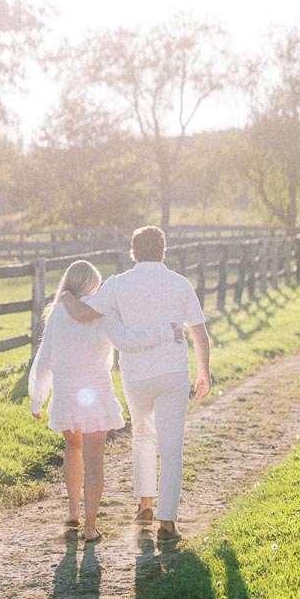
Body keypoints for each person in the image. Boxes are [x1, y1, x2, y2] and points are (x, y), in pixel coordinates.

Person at [61, 226, 212, 543]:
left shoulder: (118, 284)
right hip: (172, 373)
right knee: (172, 448)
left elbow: (85, 313)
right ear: (163, 251)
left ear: (133, 252)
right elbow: (199, 332)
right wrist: (204, 372)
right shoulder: (180, 284)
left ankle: (145, 504)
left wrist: (67, 297)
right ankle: (167, 523)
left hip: (136, 376)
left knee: (143, 436)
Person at [29, 258, 183, 543]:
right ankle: (90, 527)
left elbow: (44, 358)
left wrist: (37, 399)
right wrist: (164, 333)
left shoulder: (57, 314)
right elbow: (126, 340)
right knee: (94, 459)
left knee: (72, 449)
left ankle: (73, 512)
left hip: (65, 391)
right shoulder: (102, 313)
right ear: (92, 285)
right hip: (94, 392)